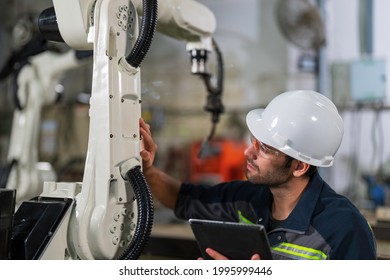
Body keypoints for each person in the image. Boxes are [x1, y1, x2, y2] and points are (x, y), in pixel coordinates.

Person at [140, 90, 377, 260]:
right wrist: (148, 168)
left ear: (299, 167)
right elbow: (181, 198)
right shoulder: (245, 199)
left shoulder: (343, 228)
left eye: (265, 148)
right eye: (254, 141)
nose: (248, 152)